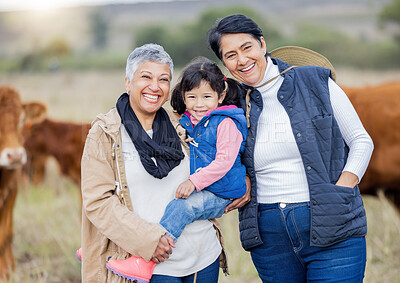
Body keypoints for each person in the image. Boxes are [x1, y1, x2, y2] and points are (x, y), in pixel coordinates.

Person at [207, 14, 374, 282]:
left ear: (262, 44)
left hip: (331, 221)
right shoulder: (231, 105)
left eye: (247, 47)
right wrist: (244, 178)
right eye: (230, 55)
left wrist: (342, 189)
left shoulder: (315, 82)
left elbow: (361, 141)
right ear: (224, 63)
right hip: (269, 236)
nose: (242, 60)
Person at [80, 44, 229, 283]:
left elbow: (219, 158)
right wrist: (148, 240)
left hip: (203, 256)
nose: (154, 86)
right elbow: (98, 202)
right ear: (128, 82)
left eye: (164, 79)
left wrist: (242, 180)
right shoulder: (105, 133)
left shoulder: (183, 124)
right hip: (149, 261)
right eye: (145, 77)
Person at [105, 56, 248, 282]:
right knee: (180, 207)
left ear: (220, 96)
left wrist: (194, 182)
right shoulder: (190, 121)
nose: (199, 104)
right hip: (212, 188)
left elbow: (224, 162)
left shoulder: (226, 123)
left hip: (221, 192)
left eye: (207, 97)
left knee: (182, 208)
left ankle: (146, 260)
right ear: (183, 96)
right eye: (192, 97)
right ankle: (105, 251)